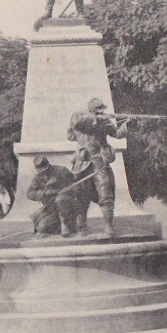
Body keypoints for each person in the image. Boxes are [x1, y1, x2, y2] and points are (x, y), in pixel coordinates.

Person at [67, 97, 129, 237]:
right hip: (82, 161)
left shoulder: (105, 121)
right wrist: (97, 118)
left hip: (98, 160)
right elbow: (77, 124)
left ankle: (108, 226)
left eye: (101, 110)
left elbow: (117, 134)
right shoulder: (78, 116)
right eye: (97, 110)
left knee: (105, 189)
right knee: (80, 193)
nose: (101, 113)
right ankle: (82, 226)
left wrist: (127, 124)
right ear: (91, 110)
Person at [26, 155, 77, 237]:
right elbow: (29, 194)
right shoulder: (38, 177)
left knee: (60, 200)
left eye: (45, 170)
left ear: (49, 166)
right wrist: (44, 193)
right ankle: (58, 225)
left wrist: (66, 191)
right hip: (51, 208)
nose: (43, 173)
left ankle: (65, 224)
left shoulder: (62, 171)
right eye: (41, 171)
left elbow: (75, 186)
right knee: (42, 227)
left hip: (66, 207)